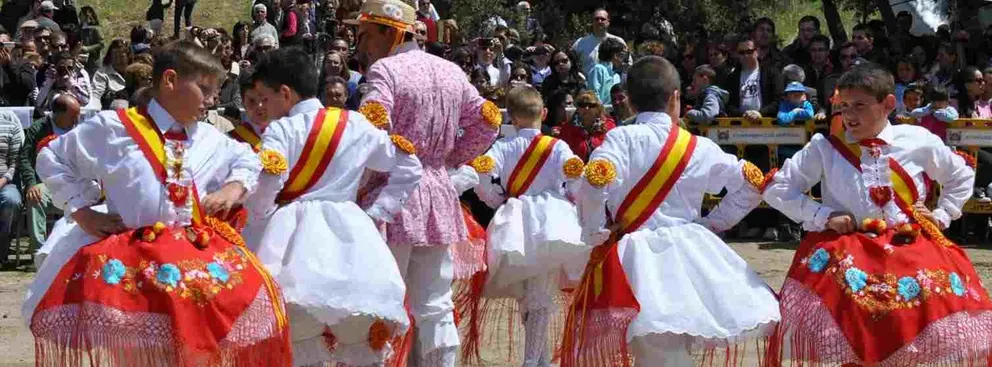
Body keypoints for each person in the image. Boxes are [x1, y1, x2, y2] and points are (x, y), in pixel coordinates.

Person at [22, 40, 291, 364]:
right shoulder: (114, 129)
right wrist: (82, 213)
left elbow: (248, 160)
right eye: (204, 88)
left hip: (193, 264)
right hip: (137, 265)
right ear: (170, 80)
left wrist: (233, 189)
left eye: (215, 90)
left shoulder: (209, 137)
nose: (212, 99)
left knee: (198, 353)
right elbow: (52, 157)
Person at [764, 64, 992, 367]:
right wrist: (822, 215)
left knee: (913, 329)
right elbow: (778, 189)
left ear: (887, 104)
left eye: (859, 105)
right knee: (855, 336)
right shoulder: (826, 148)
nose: (849, 115)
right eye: (844, 106)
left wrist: (941, 214)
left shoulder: (917, 140)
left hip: (909, 246)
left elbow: (960, 175)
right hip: (849, 250)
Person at [560, 56, 780, 366]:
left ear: (630, 103)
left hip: (634, 254)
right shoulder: (698, 146)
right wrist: (712, 224)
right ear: (676, 97)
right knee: (675, 343)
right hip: (690, 252)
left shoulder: (621, 139)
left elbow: (595, 180)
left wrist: (595, 230)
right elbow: (752, 184)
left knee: (653, 346)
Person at [246, 46, 418, 366]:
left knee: (297, 336)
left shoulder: (283, 130)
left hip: (291, 238)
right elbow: (408, 166)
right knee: (361, 334)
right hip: (353, 235)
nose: (261, 106)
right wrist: (377, 213)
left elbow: (269, 183)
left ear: (285, 93)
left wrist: (259, 219)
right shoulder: (354, 123)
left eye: (264, 98)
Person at [351, 0, 501, 363]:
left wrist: (367, 179)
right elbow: (488, 120)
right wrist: (448, 159)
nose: (362, 45)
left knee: (381, 294)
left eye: (367, 35)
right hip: (437, 191)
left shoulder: (385, 70)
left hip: (391, 194)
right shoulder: (450, 71)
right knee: (435, 301)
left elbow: (373, 126)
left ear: (391, 31)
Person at [460, 85, 587, 367]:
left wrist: (496, 200)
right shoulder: (558, 146)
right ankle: (532, 361)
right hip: (552, 221)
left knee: (531, 294)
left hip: (515, 220)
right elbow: (577, 178)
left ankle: (539, 359)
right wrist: (570, 201)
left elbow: (482, 175)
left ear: (512, 118)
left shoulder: (504, 146)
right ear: (543, 113)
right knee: (540, 294)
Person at [19, 94, 78, 261]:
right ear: (58, 114)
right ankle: (41, 253)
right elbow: (25, 158)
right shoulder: (39, 128)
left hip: (76, 182)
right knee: (35, 197)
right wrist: (31, 184)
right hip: (46, 183)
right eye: (72, 116)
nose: (76, 119)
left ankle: (78, 252)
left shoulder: (79, 128)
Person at [723, 36, 782, 121]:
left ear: (757, 51)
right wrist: (743, 115)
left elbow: (779, 99)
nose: (745, 55)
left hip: (767, 126)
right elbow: (728, 104)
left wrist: (760, 113)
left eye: (749, 51)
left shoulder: (771, 72)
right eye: (741, 52)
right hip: (740, 126)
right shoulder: (732, 77)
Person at [556, 90, 616, 161]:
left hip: (604, 168)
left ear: (598, 108)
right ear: (577, 108)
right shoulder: (567, 129)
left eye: (591, 105)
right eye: (582, 105)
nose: (586, 108)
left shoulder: (609, 126)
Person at [570, 8, 627, 78]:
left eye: (603, 19)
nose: (599, 21)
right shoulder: (580, 43)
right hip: (587, 86)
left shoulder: (619, 42)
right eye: (596, 19)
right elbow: (570, 64)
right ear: (592, 22)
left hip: (614, 85)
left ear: (608, 22)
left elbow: (627, 65)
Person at [0, 108, 22, 268]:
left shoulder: (11, 127)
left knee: (12, 200)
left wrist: (3, 180)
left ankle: (2, 252)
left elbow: (15, 162)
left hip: (5, 182)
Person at [91, 38, 129, 110]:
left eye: (122, 56)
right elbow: (96, 96)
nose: (118, 60)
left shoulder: (135, 71)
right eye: (115, 56)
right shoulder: (102, 74)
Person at [586, 37, 624, 105]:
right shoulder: (598, 69)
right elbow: (594, 95)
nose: (622, 59)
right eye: (621, 55)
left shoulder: (617, 76)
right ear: (614, 56)